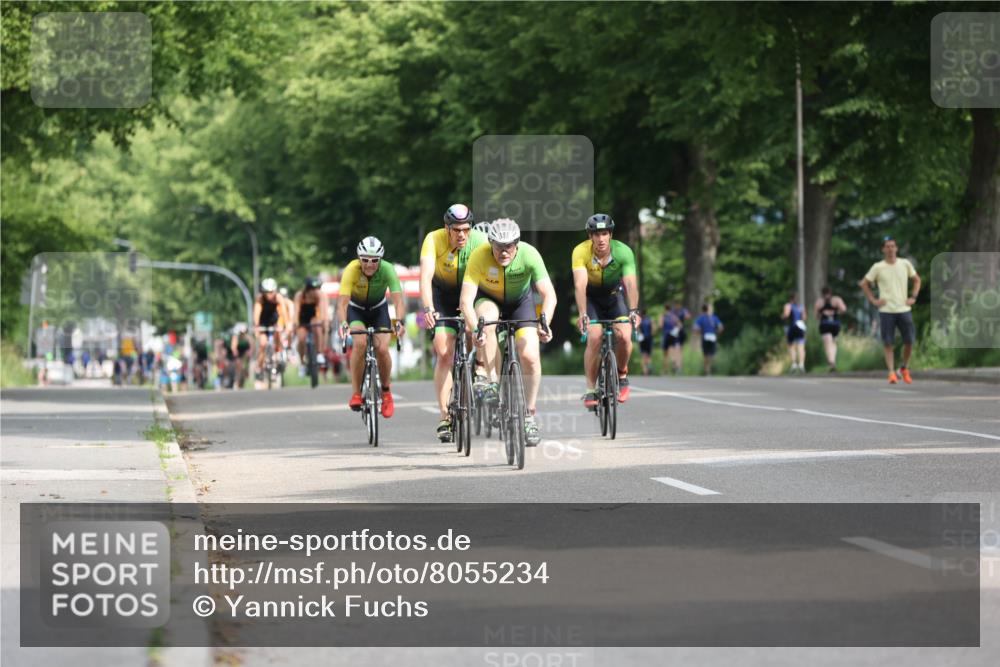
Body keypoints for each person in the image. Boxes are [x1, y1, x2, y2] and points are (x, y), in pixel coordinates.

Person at [460, 219, 557, 447]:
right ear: (490, 243)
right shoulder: (479, 256)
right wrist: (477, 329)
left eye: (509, 246)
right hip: (489, 299)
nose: (504, 251)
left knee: (530, 357)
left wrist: (545, 323)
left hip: (520, 303)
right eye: (498, 246)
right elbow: (465, 300)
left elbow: (549, 295)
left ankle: (529, 414)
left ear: (517, 243)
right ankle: (493, 381)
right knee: (488, 322)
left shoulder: (530, 254)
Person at [419, 203, 489, 442]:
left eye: (466, 229)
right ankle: (444, 417)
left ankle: (478, 367)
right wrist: (428, 308)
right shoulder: (433, 239)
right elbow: (426, 277)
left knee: (475, 328)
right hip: (443, 295)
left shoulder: (480, 240)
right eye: (457, 230)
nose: (462, 235)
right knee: (443, 351)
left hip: (471, 293)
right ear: (446, 228)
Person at [572, 213, 639, 409]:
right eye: (596, 234)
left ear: (610, 235)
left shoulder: (623, 251)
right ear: (589, 236)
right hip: (591, 298)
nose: (600, 239)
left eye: (604, 234)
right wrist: (583, 313)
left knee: (624, 335)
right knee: (594, 337)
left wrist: (633, 310)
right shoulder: (580, 252)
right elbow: (580, 285)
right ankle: (591, 389)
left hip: (613, 296)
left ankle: (622, 373)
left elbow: (631, 284)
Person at [337, 237, 406, 417]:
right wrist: (344, 323)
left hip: (378, 310)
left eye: (375, 260)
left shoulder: (388, 269)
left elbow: (398, 300)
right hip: (356, 310)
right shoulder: (351, 269)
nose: (369, 264)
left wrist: (399, 321)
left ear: (380, 260)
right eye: (365, 259)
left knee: (382, 349)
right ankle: (357, 393)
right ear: (359, 258)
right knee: (359, 343)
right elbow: (342, 303)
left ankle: (386, 392)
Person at [859, 235, 921, 384]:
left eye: (893, 246)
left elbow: (917, 280)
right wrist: (873, 300)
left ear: (897, 248)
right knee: (888, 342)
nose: (890, 249)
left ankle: (904, 368)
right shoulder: (878, 267)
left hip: (904, 308)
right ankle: (891, 372)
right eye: (887, 246)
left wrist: (913, 296)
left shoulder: (905, 264)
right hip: (886, 310)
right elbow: (864, 283)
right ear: (883, 249)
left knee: (909, 341)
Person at [253, 278, 292, 380]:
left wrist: (287, 324)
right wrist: (256, 327)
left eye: (271, 292)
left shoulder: (278, 298)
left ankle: (278, 354)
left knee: (277, 333)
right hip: (263, 322)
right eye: (267, 292)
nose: (269, 295)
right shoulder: (260, 299)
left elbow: (283, 312)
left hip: (274, 320)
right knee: (263, 344)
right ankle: (259, 367)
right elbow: (257, 313)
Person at [294, 277, 331, 377]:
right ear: (307, 289)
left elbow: (323, 312)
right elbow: (296, 312)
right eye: (312, 289)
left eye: (317, 289)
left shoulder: (320, 295)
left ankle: (319, 353)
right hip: (303, 318)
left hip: (315, 317)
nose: (315, 291)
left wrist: (324, 323)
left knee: (318, 327)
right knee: (301, 338)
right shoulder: (300, 296)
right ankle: (302, 363)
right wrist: (296, 324)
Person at [815, 286, 847, 371]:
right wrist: (835, 312)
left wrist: (824, 314)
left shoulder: (819, 302)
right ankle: (833, 361)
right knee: (833, 342)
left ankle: (831, 361)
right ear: (830, 292)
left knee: (828, 343)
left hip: (825, 324)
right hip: (835, 324)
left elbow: (816, 316)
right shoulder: (836, 300)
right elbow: (844, 309)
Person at [693, 303, 724, 375]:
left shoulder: (701, 318)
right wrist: (717, 333)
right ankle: (708, 369)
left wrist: (699, 333)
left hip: (706, 336)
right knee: (711, 354)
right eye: (711, 308)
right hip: (712, 336)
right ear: (708, 309)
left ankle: (707, 369)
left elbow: (695, 327)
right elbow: (721, 327)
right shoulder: (714, 318)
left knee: (706, 354)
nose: (712, 309)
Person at [661, 300, 691, 375]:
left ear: (665, 308)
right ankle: (676, 364)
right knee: (675, 350)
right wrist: (675, 330)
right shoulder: (674, 316)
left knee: (666, 353)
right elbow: (681, 324)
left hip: (666, 335)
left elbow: (660, 326)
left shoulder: (663, 316)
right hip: (674, 335)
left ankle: (666, 369)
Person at [781, 292, 807, 373]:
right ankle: (801, 364)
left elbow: (786, 315)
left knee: (791, 346)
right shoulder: (801, 307)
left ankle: (794, 364)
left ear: (790, 299)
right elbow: (804, 317)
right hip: (800, 327)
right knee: (801, 346)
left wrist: (782, 317)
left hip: (792, 327)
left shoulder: (788, 305)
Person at [638, 310, 653, 376]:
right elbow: (653, 330)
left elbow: (638, 329)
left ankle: (645, 371)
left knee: (643, 355)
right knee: (648, 355)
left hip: (642, 339)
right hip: (649, 338)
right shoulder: (649, 320)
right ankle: (649, 367)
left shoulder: (640, 320)